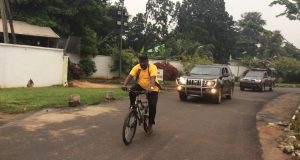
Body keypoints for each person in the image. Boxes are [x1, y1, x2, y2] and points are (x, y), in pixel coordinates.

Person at [122, 55, 160, 133]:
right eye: (141, 62)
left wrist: (151, 88)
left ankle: (150, 124)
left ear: (147, 61)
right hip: (141, 85)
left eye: (144, 62)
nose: (142, 63)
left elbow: (153, 78)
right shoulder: (137, 67)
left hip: (152, 88)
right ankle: (133, 107)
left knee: (152, 106)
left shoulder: (152, 67)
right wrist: (124, 85)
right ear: (139, 61)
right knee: (132, 90)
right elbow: (130, 76)